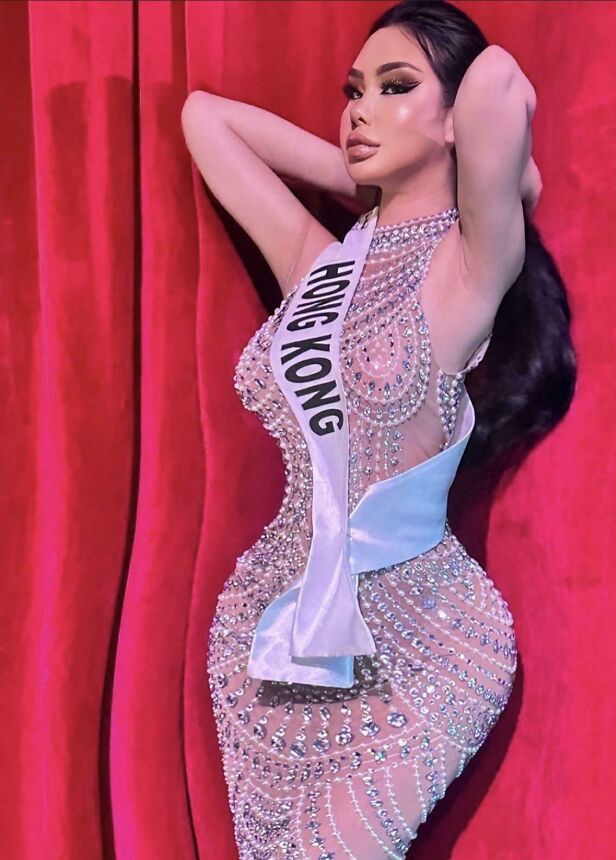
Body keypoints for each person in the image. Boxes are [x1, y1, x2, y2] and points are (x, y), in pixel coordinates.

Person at [182, 1, 575, 856]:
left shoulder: (469, 264)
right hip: (278, 628)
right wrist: (365, 164)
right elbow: (205, 120)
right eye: (352, 92)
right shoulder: (318, 265)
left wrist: (499, 175)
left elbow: (498, 78)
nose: (360, 109)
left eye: (395, 87)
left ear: (456, 120)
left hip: (419, 634)